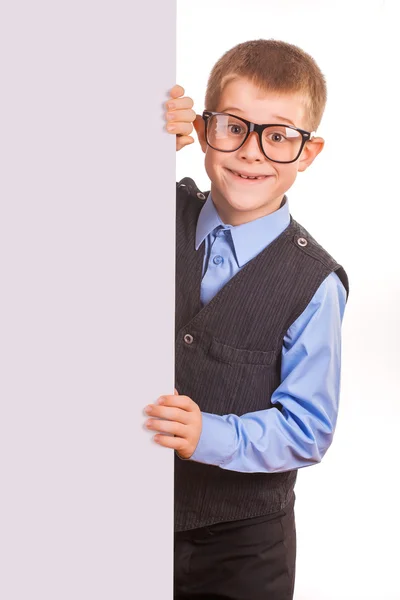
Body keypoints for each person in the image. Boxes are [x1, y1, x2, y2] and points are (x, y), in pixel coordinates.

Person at [144, 39, 349, 600]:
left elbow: (308, 430)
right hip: (130, 518)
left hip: (245, 548)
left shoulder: (315, 284)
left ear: (308, 153)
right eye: (233, 126)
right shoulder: (151, 211)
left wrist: (209, 433)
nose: (252, 152)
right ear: (205, 129)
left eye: (279, 136)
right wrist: (142, 138)